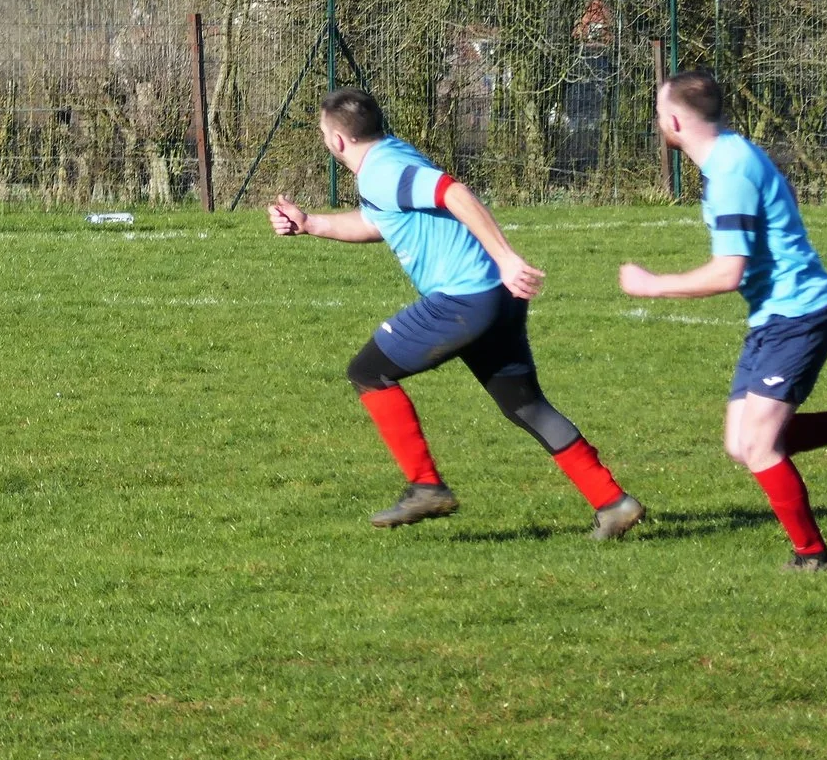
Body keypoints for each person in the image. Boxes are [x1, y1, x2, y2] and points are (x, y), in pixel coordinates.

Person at [268, 87, 642, 537]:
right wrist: (311, 224)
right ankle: (613, 502)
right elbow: (376, 221)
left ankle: (426, 486)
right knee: (525, 405)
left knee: (368, 372)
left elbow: (454, 193)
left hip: (464, 299)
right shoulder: (389, 157)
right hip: (495, 297)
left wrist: (506, 256)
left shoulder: (382, 172)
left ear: (336, 141)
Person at [618, 70, 827, 571]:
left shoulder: (730, 172)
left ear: (672, 120)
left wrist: (653, 284)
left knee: (758, 445)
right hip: (776, 314)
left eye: (657, 114)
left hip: (799, 313)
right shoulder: (734, 154)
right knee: (741, 443)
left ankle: (813, 557)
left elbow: (727, 273)